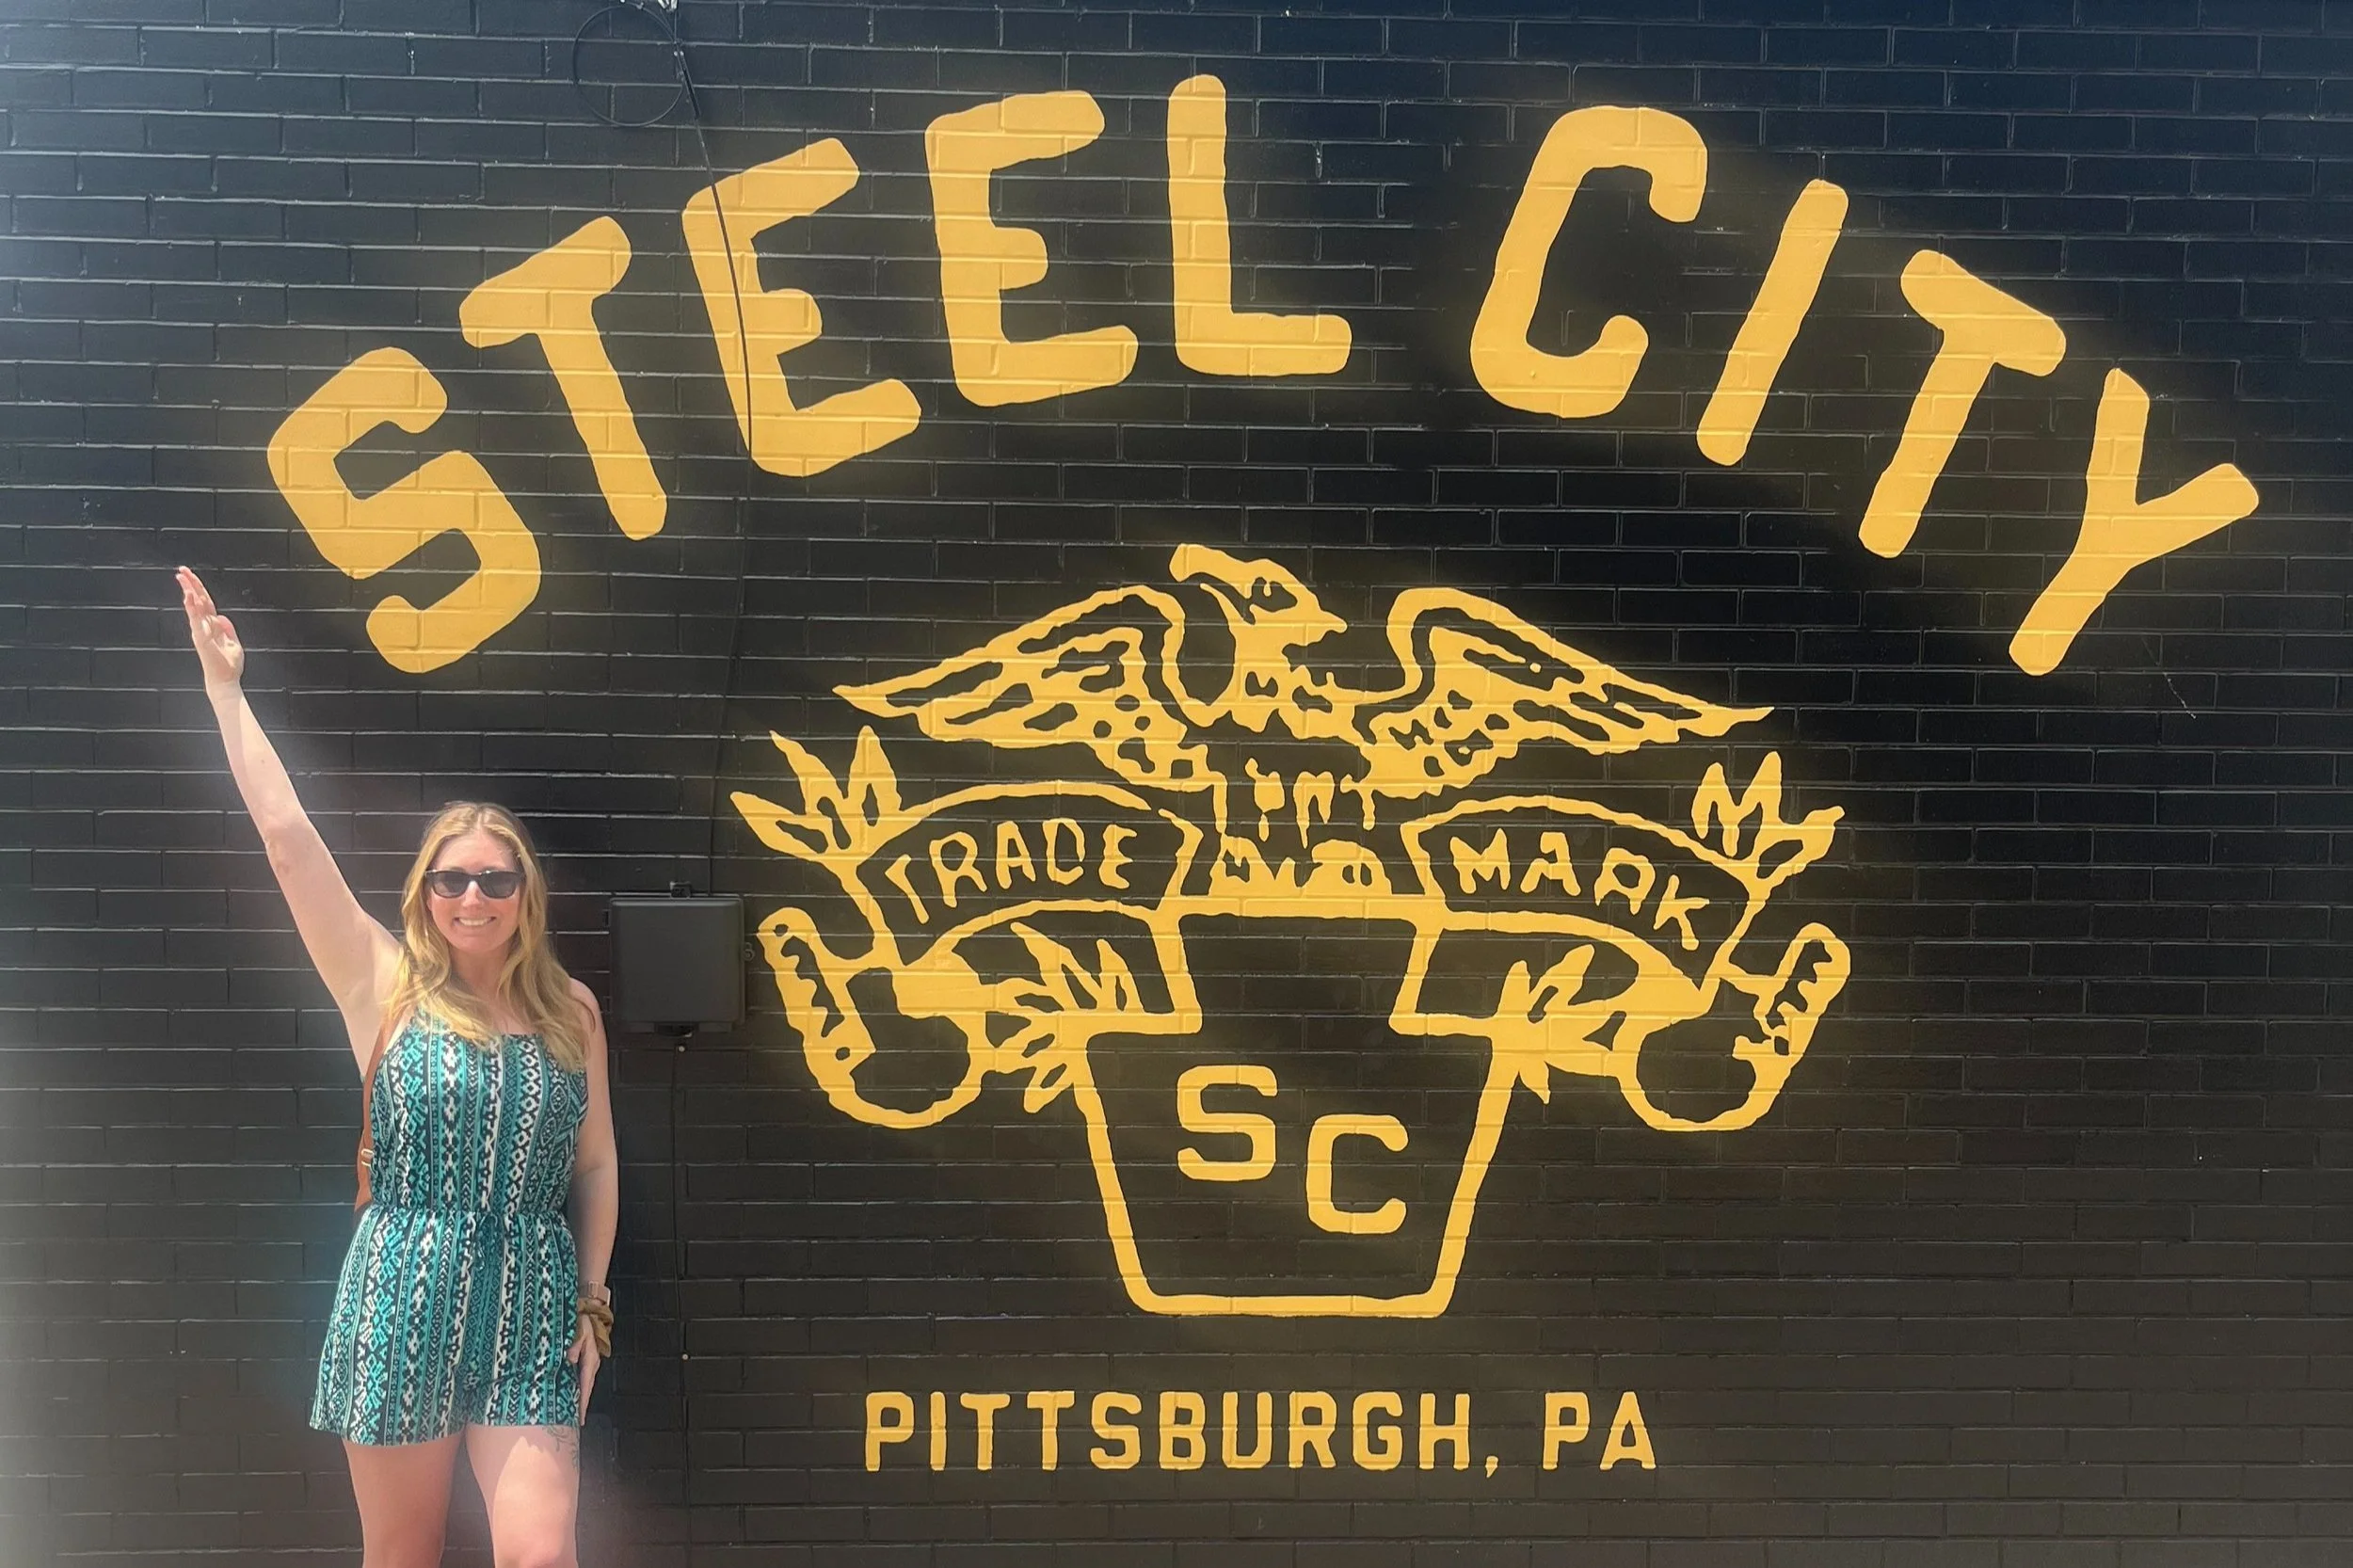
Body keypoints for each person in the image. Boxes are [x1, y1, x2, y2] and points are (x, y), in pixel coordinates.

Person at [176, 566, 618, 1568]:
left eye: (494, 877)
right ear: (426, 893)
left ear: (523, 892)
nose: (473, 894)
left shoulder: (570, 1010)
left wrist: (593, 1298)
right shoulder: (382, 983)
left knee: (542, 1554)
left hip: (532, 1304)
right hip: (403, 1287)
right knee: (404, 1552)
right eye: (452, 877)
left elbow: (593, 1165)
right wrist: (225, 691)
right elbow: (288, 843)